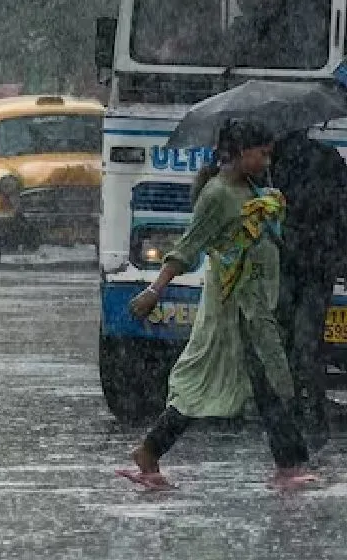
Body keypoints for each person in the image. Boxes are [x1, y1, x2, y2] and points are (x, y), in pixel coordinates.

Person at [118, 120, 317, 491]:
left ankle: (289, 463)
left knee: (269, 378)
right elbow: (187, 249)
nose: (266, 159)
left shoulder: (251, 189)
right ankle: (149, 451)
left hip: (255, 306)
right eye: (262, 153)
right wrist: (153, 291)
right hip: (229, 309)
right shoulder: (216, 195)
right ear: (241, 154)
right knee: (206, 382)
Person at [270, 128, 347, 446]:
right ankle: (310, 408)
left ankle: (291, 407)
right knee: (307, 341)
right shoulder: (328, 159)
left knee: (286, 338)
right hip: (318, 262)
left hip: (288, 261)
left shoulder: (271, 162)